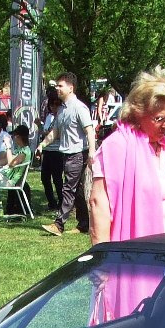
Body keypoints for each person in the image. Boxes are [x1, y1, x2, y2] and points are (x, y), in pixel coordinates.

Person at [89, 67, 165, 244]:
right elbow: (98, 205)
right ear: (138, 113)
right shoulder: (117, 145)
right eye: (159, 118)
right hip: (137, 254)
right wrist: (103, 262)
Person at [41, 72, 95, 236]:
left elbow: (89, 131)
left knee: (68, 189)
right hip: (67, 155)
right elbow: (55, 132)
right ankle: (84, 224)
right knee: (77, 190)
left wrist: (92, 152)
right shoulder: (62, 110)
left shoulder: (79, 107)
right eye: (56, 85)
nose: (57, 88)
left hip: (77, 154)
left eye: (60, 85)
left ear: (70, 88)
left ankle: (59, 225)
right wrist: (41, 145)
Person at [39, 92, 65, 213]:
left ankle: (62, 201)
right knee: (45, 177)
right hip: (47, 150)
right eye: (51, 105)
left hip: (57, 151)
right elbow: (45, 132)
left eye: (56, 104)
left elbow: (55, 134)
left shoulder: (61, 116)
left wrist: (45, 132)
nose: (53, 107)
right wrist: (40, 126)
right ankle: (51, 202)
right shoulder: (49, 117)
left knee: (57, 178)